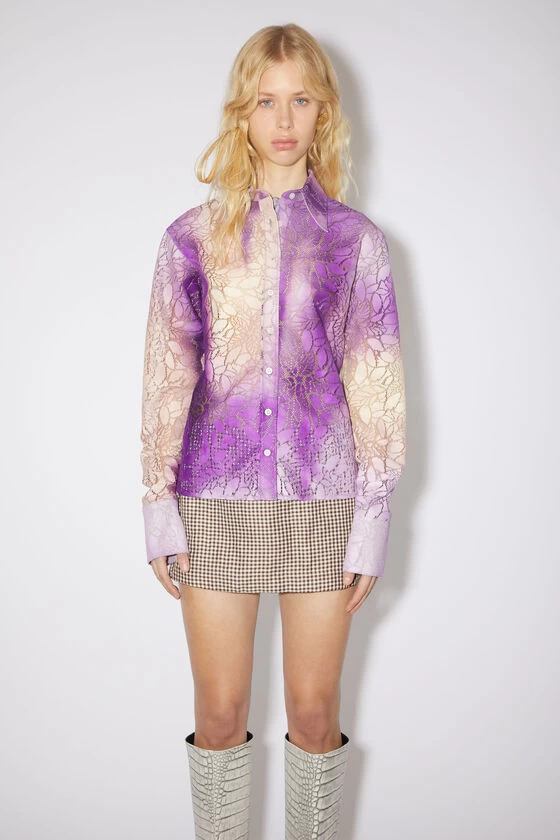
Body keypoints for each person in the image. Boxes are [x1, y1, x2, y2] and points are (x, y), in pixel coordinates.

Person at [140, 22, 406, 840]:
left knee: (314, 712)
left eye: (300, 100)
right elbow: (166, 378)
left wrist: (372, 518)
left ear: (324, 111)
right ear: (241, 112)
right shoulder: (190, 239)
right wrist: (158, 505)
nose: (283, 119)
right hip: (214, 505)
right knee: (219, 713)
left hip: (322, 503)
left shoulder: (356, 244)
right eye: (265, 101)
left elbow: (376, 387)